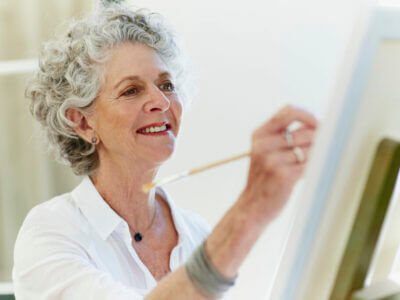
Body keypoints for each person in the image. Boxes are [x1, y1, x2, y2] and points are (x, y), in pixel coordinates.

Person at [12, 4, 318, 300]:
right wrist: (252, 208)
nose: (161, 101)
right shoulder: (51, 234)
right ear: (81, 122)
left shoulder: (197, 232)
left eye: (167, 85)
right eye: (131, 90)